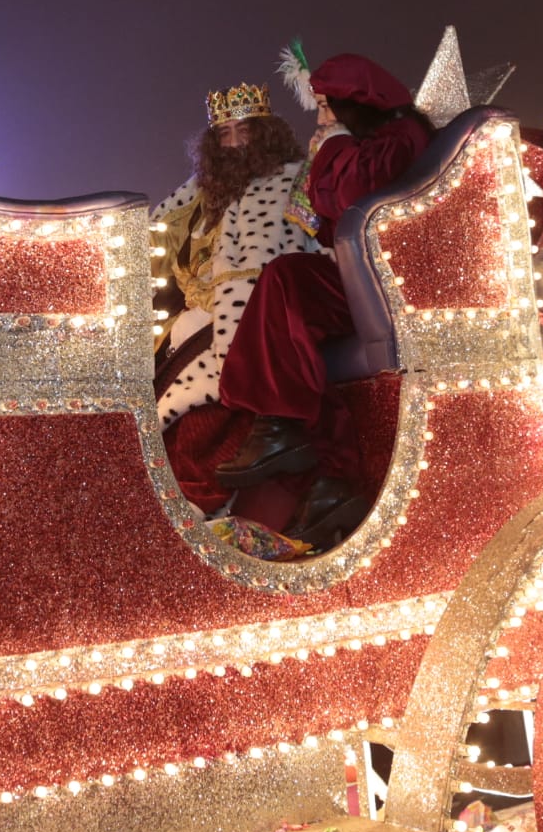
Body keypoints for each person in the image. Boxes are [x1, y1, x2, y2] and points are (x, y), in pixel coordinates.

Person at [215, 51, 434, 545]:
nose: (322, 122)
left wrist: (332, 146)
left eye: (330, 110)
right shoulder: (370, 142)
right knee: (285, 283)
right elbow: (322, 215)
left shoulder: (400, 138)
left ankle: (281, 428)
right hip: (365, 278)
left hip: (390, 286)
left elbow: (354, 191)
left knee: (287, 280)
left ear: (359, 104)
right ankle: (296, 442)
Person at [149, 82, 314, 509]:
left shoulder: (280, 183)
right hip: (196, 321)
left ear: (266, 135)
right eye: (225, 134)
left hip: (255, 322)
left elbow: (260, 272)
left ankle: (205, 515)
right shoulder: (202, 196)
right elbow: (154, 241)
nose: (235, 142)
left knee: (196, 426)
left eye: (245, 130)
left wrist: (229, 340)